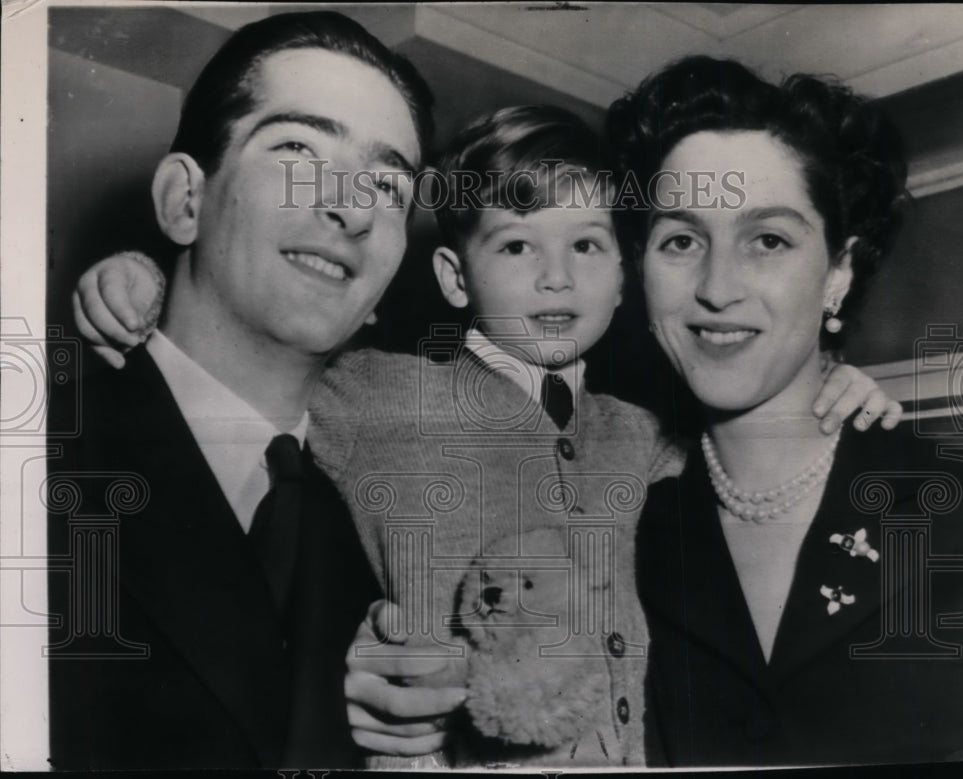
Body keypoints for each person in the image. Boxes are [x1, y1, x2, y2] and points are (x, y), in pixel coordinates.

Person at [72, 103, 905, 767]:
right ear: (453, 275)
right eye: (515, 244)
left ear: (624, 276)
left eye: (587, 244)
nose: (556, 275)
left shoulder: (643, 431)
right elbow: (249, 352)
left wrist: (832, 377)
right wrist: (142, 281)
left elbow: (748, 443)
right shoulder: (380, 389)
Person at [46, 11, 434, 770]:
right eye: (297, 149)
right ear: (184, 201)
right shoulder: (36, 459)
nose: (352, 208)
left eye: (388, 185)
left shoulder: (386, 526)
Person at [608, 56, 963, 766]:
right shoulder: (618, 534)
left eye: (769, 240)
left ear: (838, 272)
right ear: (642, 268)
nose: (717, 287)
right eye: (681, 240)